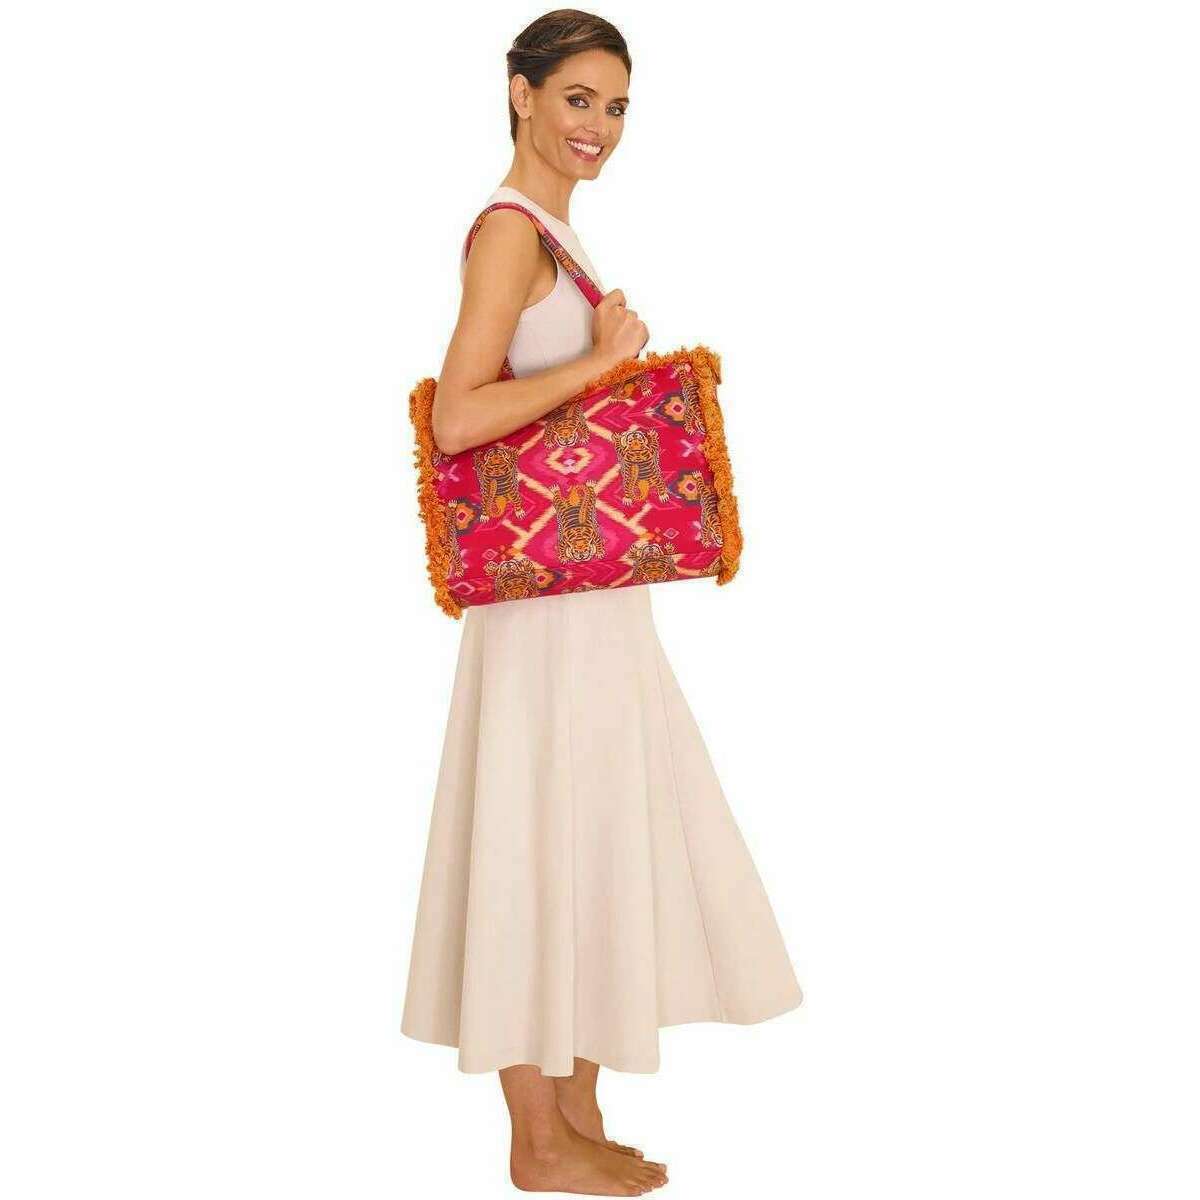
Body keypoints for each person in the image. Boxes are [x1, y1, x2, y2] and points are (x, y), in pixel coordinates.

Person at [401, 11, 803, 1195]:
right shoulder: (508, 234)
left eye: (617, 107)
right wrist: (600, 364)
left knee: (584, 838)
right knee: (537, 840)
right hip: (544, 617)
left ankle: (574, 1114)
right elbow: (457, 418)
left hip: (584, 604)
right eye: (578, 98)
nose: (601, 127)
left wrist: (593, 356)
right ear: (519, 92)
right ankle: (535, 1143)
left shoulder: (558, 237)